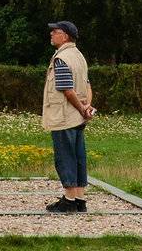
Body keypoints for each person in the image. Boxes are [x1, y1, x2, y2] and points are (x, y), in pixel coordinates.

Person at [41, 19, 95, 212]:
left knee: (65, 157)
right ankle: (80, 198)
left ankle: (69, 200)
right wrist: (87, 105)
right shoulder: (79, 56)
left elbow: (66, 89)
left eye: (54, 32)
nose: (51, 34)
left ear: (64, 36)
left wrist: (81, 108)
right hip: (78, 117)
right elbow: (88, 84)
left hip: (65, 116)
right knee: (79, 155)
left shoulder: (61, 58)